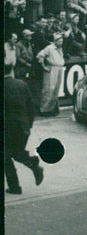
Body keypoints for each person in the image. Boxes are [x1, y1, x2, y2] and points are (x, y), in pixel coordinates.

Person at [4, 63, 44, 194]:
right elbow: (31, 106)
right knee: (16, 153)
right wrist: (29, 125)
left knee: (6, 156)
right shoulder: (22, 84)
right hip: (23, 126)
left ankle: (15, 187)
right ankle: (34, 165)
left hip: (8, 127)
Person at [35, 32, 65, 116]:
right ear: (55, 41)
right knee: (48, 90)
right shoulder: (49, 48)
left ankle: (51, 109)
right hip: (52, 69)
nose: (61, 43)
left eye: (62, 41)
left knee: (56, 90)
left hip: (59, 69)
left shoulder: (60, 48)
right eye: (59, 41)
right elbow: (39, 56)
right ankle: (44, 110)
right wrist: (44, 66)